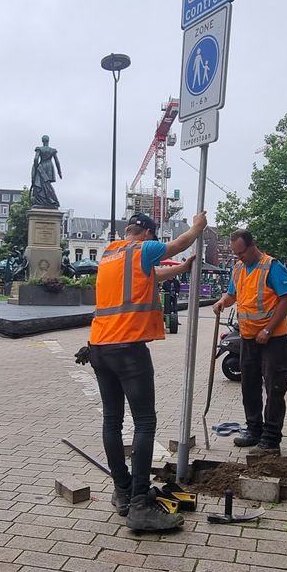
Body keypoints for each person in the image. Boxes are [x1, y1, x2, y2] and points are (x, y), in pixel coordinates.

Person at [88, 210, 207, 532]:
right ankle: (141, 504)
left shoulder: (111, 253)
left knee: (112, 420)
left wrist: (182, 270)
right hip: (128, 349)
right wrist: (198, 227)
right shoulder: (145, 248)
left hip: (99, 346)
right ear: (148, 234)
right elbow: (180, 242)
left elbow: (149, 278)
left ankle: (123, 491)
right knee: (144, 422)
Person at [210, 229, 287, 458]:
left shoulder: (272, 266)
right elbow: (232, 295)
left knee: (274, 388)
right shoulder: (238, 269)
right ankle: (254, 429)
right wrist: (222, 302)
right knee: (249, 387)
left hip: (273, 339)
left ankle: (271, 439)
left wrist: (268, 329)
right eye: (236, 254)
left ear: (252, 246)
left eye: (242, 253)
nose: (239, 258)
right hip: (248, 338)